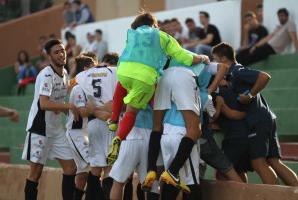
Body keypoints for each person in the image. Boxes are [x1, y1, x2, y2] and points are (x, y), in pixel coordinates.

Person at [105, 12, 207, 165]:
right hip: (145, 79)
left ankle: (114, 121)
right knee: (135, 108)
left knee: (123, 85)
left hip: (123, 72)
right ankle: (121, 138)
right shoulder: (162, 36)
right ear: (154, 25)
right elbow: (185, 57)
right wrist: (202, 58)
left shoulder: (133, 35)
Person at [212, 42, 298, 186]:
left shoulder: (237, 71)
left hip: (257, 120)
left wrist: (251, 96)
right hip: (265, 118)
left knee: (258, 163)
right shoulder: (230, 76)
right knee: (273, 161)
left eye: (214, 59)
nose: (214, 63)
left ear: (224, 59)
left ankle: (273, 197)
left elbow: (265, 76)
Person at [143, 53, 228, 192]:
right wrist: (210, 89)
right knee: (195, 131)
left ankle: (151, 168)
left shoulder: (169, 57)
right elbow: (223, 67)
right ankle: (172, 171)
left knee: (156, 126)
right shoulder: (202, 67)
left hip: (164, 79)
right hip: (180, 134)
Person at [22, 39, 79, 200]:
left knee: (71, 168)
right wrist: (69, 107)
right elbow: (44, 104)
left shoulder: (65, 73)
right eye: (56, 52)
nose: (61, 54)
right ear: (49, 57)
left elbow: (62, 93)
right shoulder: (46, 74)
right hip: (40, 129)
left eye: (62, 51)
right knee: (35, 173)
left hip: (56, 130)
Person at [74, 52, 118, 199]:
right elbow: (113, 106)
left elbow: (86, 110)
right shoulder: (115, 71)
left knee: (95, 169)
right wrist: (103, 109)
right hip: (110, 125)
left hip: (93, 125)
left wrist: (94, 109)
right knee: (109, 169)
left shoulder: (85, 75)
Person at [65, 55, 95, 200]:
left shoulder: (89, 88)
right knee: (95, 166)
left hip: (85, 133)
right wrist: (104, 109)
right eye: (94, 66)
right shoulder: (78, 89)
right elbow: (83, 112)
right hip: (76, 134)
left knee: (82, 175)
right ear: (86, 69)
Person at [211, 86, 252, 183]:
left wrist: (219, 105)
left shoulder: (215, 94)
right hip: (246, 134)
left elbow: (231, 114)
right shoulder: (232, 89)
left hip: (234, 137)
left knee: (223, 172)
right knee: (239, 170)